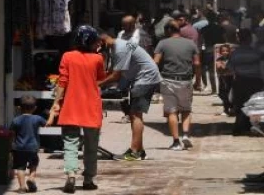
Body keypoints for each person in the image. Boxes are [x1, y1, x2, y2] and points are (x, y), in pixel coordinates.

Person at [48, 25, 106, 193]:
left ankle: (71, 175)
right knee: (91, 145)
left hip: (71, 106)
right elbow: (101, 79)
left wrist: (56, 103)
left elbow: (62, 82)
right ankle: (88, 179)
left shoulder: (67, 56)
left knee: (70, 144)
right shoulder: (98, 59)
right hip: (91, 108)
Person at [97, 30, 162, 161]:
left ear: (102, 41)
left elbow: (116, 75)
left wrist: (97, 84)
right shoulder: (117, 46)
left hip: (145, 78)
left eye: (96, 44)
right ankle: (140, 150)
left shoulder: (120, 49)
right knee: (135, 115)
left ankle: (133, 152)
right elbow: (112, 70)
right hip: (143, 77)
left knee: (135, 114)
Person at [153, 20, 202, 150]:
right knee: (186, 109)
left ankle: (176, 142)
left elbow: (155, 62)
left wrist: (154, 79)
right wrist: (198, 81)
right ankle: (185, 135)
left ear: (168, 30)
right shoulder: (191, 43)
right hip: (185, 80)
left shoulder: (162, 43)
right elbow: (197, 64)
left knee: (172, 111)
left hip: (168, 80)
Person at [228, 29, 264, 135]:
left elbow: (230, 67)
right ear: (249, 39)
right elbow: (263, 58)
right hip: (255, 81)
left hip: (240, 81)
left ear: (239, 39)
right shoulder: (256, 52)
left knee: (240, 105)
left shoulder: (234, 53)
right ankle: (253, 126)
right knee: (254, 104)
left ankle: (238, 127)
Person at [10, 95, 47, 193]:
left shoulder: (16, 120)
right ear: (35, 108)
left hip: (19, 148)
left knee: (20, 167)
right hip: (33, 147)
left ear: (19, 108)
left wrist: (11, 147)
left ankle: (22, 187)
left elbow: (12, 134)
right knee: (34, 164)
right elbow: (47, 123)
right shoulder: (37, 118)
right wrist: (52, 114)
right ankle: (31, 178)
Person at [200, 11, 226, 95]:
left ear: (207, 18)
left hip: (209, 50)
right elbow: (224, 39)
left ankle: (214, 89)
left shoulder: (204, 29)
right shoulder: (221, 28)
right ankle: (221, 88)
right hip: (219, 50)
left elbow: (201, 40)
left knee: (211, 70)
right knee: (221, 69)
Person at [215, 44, 234, 116]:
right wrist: (224, 66)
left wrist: (224, 66)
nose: (225, 52)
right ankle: (228, 108)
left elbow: (228, 68)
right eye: (223, 51)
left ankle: (229, 109)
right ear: (220, 52)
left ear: (229, 51)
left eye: (227, 51)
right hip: (222, 78)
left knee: (229, 94)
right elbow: (219, 67)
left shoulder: (232, 59)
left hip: (230, 78)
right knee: (221, 93)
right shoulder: (219, 59)